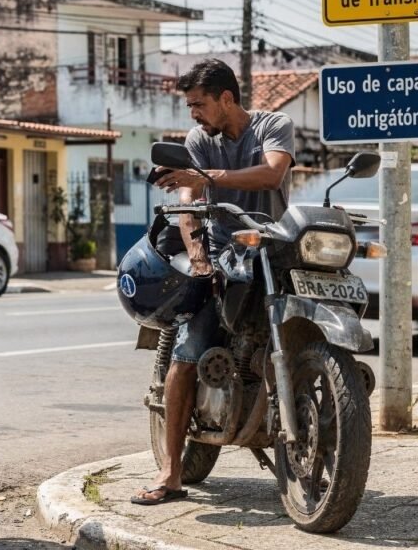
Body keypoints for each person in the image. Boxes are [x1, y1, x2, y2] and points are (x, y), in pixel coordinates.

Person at [131, 58, 295, 505]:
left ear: (227, 98)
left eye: (199, 104)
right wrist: (200, 254)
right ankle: (170, 474)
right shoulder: (199, 139)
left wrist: (205, 178)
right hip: (222, 256)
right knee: (186, 355)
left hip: (273, 250)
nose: (194, 114)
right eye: (189, 106)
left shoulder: (273, 125)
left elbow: (272, 172)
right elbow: (187, 201)